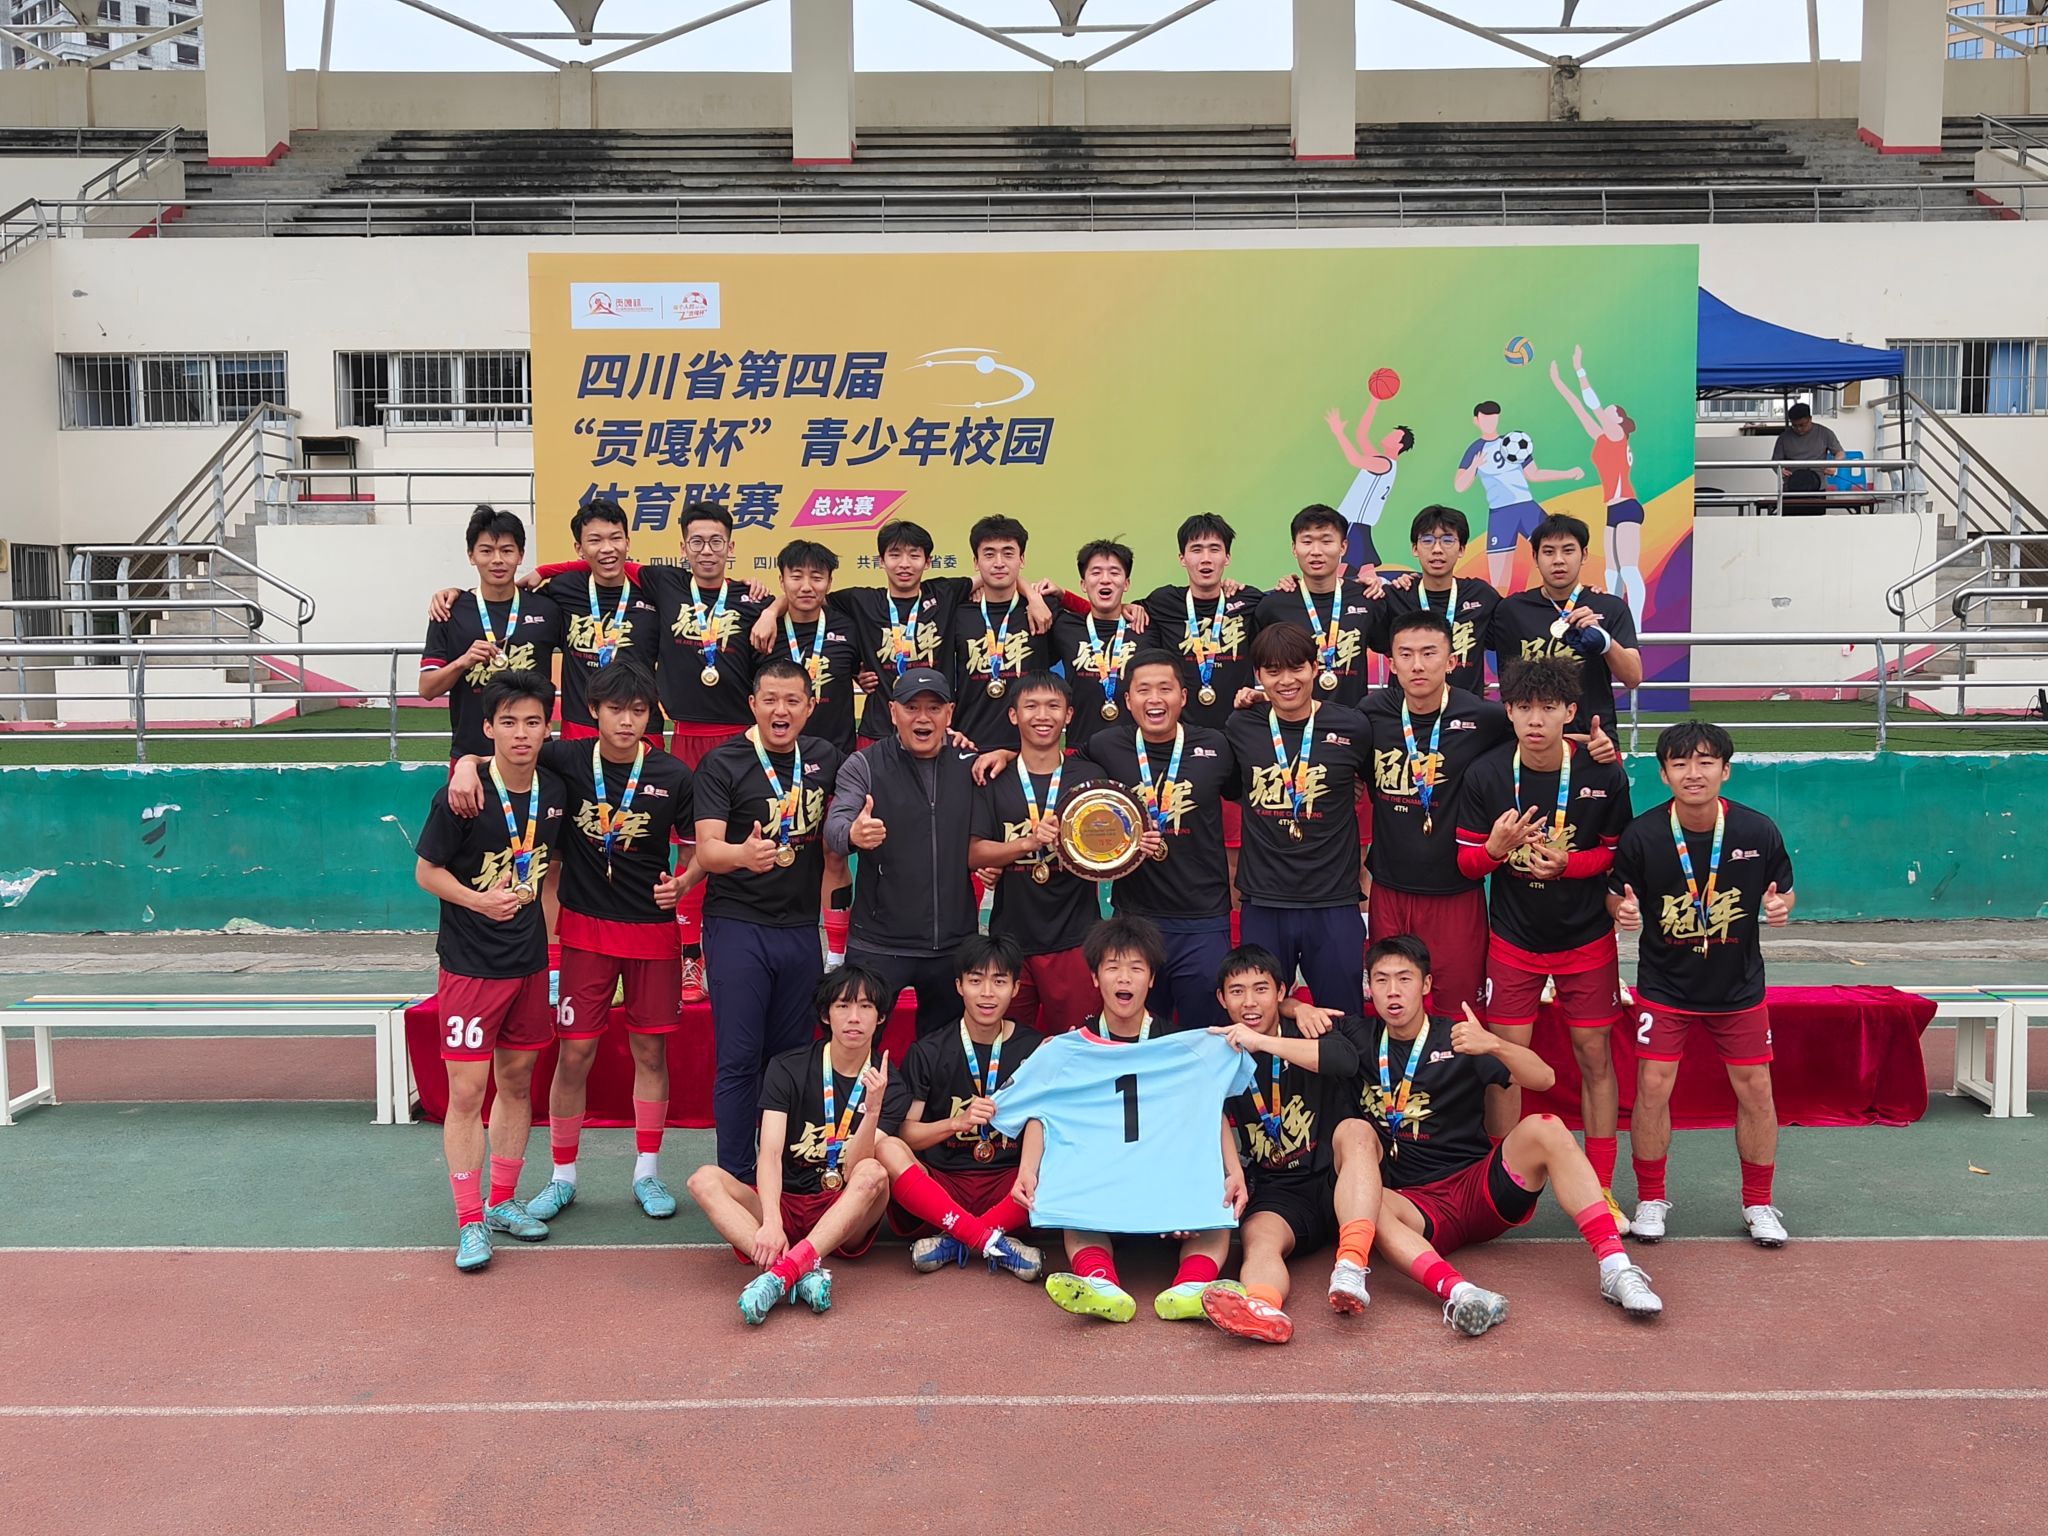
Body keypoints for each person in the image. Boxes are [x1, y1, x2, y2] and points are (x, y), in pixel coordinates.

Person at [444, 662, 695, 1223]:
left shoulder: (673, 773)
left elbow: (695, 847)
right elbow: (509, 751)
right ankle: (562, 1176)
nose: (626, 721)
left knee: (650, 1053)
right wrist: (463, 764)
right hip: (584, 928)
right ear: (593, 712)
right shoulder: (568, 757)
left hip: (653, 932)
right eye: (615, 710)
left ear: (650, 716)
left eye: (637, 711)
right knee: (575, 1053)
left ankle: (647, 1172)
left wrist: (685, 881)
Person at [1356, 936, 1663, 1335]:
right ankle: (1461, 1293)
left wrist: (1495, 1045)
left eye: (1404, 978)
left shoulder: (1459, 1037)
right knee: (1369, 1204)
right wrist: (1295, 1006)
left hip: (1480, 1190)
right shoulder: (1358, 1038)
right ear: (1369, 987)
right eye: (1381, 980)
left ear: (1426, 984)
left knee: (1546, 1127)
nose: (1393, 991)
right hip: (1416, 1206)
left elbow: (1544, 1078)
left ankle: (1616, 1268)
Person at [990, 915, 1254, 1325]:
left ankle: (1191, 1287)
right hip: (1103, 1177)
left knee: (1216, 1206)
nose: (1124, 978)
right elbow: (1040, 1108)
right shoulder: (1066, 1048)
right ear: (1095, 978)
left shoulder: (1186, 1044)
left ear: (1152, 978)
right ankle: (1102, 1284)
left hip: (1165, 1176)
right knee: (1072, 1205)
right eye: (1113, 967)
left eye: (1136, 968)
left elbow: (1209, 1107)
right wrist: (1028, 1169)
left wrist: (1233, 1171)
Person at [1456, 656, 1634, 1223]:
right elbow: (1466, 864)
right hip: (1514, 940)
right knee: (1505, 1062)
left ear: (1570, 712)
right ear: (1508, 711)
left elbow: (1616, 855)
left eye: (1549, 708)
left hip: (1587, 939)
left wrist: (1570, 865)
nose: (1536, 719)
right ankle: (1496, 1189)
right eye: (1525, 707)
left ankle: (1601, 1186)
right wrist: (1496, 849)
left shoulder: (1603, 771)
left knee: (1595, 1058)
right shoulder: (1487, 774)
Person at [1610, 719, 1796, 1248]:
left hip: (1738, 987)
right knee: (1652, 1087)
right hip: (1665, 985)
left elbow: (1783, 889)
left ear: (1725, 770)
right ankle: (1650, 1198)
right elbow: (1616, 893)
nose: (1694, 773)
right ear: (1664, 773)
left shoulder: (1757, 831)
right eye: (1680, 763)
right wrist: (1622, 911)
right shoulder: (1643, 834)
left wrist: (1780, 906)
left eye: (1705, 762)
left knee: (1756, 1089)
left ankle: (1758, 1203)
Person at [411, 671, 568, 1272]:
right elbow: (426, 872)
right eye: (508, 722)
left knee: (518, 1084)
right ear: (487, 728)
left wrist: (550, 953)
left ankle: (501, 1201)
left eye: (532, 722)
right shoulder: (462, 795)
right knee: (466, 1093)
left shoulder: (555, 791)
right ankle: (469, 1220)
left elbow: (549, 876)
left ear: (547, 728)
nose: (521, 733)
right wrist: (479, 902)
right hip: (472, 966)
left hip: (528, 963)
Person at [693, 658, 847, 1183]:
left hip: (800, 929)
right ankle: (736, 1178)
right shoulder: (723, 762)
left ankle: (783, 1174)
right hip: (738, 926)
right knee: (739, 1059)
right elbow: (708, 850)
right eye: (771, 700)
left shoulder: (824, 757)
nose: (781, 711)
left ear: (810, 706)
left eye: (792, 701)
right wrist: (743, 854)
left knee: (792, 1059)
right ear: (752, 704)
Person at [685, 965, 908, 1325]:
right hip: (787, 1202)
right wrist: (772, 1221)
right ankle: (797, 1270)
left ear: (880, 1016)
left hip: (844, 1210)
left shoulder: (890, 1084)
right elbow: (771, 1153)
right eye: (843, 1006)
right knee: (704, 1180)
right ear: (825, 1014)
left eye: (866, 1006)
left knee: (873, 1172)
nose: (854, 1017)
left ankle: (782, 1272)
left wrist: (873, 1109)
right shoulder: (788, 1068)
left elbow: (854, 1170)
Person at [1202, 944, 1388, 1345]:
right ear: (1221, 998)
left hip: (1339, 1179)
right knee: (1258, 1241)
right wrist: (1234, 1173)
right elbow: (1206, 1118)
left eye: (1261, 989)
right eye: (1236, 991)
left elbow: (1344, 1061)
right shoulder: (1216, 1052)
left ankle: (1351, 1266)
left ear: (1281, 992)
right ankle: (1262, 1308)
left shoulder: (1307, 1025)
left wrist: (1262, 1041)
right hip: (1281, 1192)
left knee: (1357, 1131)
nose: (1249, 1002)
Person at [1360, 609, 1511, 1023]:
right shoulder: (1370, 714)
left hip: (1455, 892)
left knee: (1458, 1013)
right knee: (1391, 1009)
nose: (1417, 665)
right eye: (1406, 654)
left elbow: (1539, 737)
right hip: (1390, 889)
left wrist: (1594, 745)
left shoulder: (1485, 718)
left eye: (1429, 653)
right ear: (1391, 663)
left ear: (1452, 660)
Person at [1075, 652, 1238, 1032]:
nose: (1155, 699)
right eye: (1143, 690)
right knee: (1138, 1033)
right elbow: (1059, 770)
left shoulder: (1216, 745)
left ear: (1183, 696)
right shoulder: (1104, 745)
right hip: (1135, 919)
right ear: (1127, 699)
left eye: (1165, 689)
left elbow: (1253, 784)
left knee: (1206, 1033)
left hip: (1203, 919)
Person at [873, 934, 1046, 1281]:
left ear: (1015, 988)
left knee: (1067, 1153)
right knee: (886, 1147)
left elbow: (1042, 1124)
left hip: (1010, 1186)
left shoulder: (1035, 1049)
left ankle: (956, 1239)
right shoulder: (929, 1050)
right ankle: (989, 1240)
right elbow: (907, 1133)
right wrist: (956, 1123)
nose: (987, 993)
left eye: (999, 981)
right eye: (976, 980)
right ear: (959, 986)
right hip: (942, 1188)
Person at [825, 667, 983, 1037]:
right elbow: (835, 828)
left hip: (953, 944)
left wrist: (1004, 753)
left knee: (944, 1056)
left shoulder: (971, 764)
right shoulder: (864, 764)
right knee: (859, 1048)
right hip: (878, 943)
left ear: (949, 713)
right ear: (893, 712)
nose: (922, 718)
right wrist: (853, 833)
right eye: (912, 707)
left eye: (934, 708)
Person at [1227, 624, 1372, 1018]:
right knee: (1258, 1016)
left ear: (1315, 668)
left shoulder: (1352, 727)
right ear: (1258, 675)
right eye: (1273, 672)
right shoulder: (1241, 725)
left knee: (1342, 1018)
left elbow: (1372, 782)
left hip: (1334, 900)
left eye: (1296, 668)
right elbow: (1232, 788)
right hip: (1264, 901)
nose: (1286, 681)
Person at [968, 673, 1100, 1034]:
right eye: (1031, 706)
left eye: (1053, 706)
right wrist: (1026, 844)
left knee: (1076, 1045)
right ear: (1013, 715)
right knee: (1009, 1047)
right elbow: (975, 854)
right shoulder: (993, 777)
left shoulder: (1090, 777)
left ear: (1069, 715)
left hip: (1076, 938)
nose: (1042, 715)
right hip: (1011, 940)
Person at [418, 507, 563, 764]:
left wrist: (546, 571)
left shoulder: (547, 609)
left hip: (535, 756)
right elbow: (427, 688)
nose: (497, 560)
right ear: (471, 555)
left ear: (520, 555)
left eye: (507, 551)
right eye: (486, 551)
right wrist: (463, 662)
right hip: (470, 756)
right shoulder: (449, 610)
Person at [1488, 513, 1643, 737]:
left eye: (1568, 550)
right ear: (1535, 557)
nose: (1558, 560)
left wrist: (1605, 641)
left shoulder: (1610, 607)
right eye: (1548, 552)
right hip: (1528, 741)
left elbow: (1633, 677)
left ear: (1584, 554)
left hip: (1594, 740)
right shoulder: (1510, 610)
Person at [537, 500, 666, 742]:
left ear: (627, 542)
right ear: (579, 548)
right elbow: (512, 606)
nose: (607, 548)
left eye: (615, 538)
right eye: (595, 540)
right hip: (580, 725)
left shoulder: (652, 591)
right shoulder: (564, 588)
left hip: (639, 724)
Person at [1252, 505, 1383, 708]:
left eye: (1326, 541)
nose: (1316, 551)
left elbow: (1394, 649)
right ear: (1294, 548)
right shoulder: (1273, 605)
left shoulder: (1366, 598)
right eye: (1307, 542)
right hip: (1291, 721)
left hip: (1353, 720)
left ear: (1343, 547)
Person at [1549, 347, 1647, 621]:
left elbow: (1592, 405)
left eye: (1610, 412)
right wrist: (1559, 383)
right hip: (1612, 508)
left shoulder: (1617, 435)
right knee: (1612, 571)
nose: (1604, 413)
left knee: (1629, 568)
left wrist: (1579, 370)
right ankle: (1616, 620)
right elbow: (1580, 409)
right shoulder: (1603, 438)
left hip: (1628, 506)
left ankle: (1636, 625)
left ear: (1619, 420)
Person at [1454, 400, 1587, 590]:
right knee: (1499, 578)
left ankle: (1567, 600)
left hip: (1526, 507)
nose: (1490, 422)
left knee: (1557, 552)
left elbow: (1534, 474)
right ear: (1477, 421)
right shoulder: (1476, 449)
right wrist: (1474, 466)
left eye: (1493, 417)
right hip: (1500, 513)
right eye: (1485, 418)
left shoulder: (1513, 441)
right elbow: (1459, 485)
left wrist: (1567, 473)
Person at [950, 515, 1055, 752]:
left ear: (1022, 559)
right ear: (976, 562)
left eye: (1008, 553)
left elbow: (1098, 614)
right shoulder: (958, 612)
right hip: (969, 742)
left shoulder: (1044, 610)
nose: (999, 563)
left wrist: (1127, 608)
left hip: (1030, 747)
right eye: (989, 554)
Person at [1375, 505, 1501, 697]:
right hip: (1407, 709)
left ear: (1462, 549)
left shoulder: (1481, 595)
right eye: (1427, 540)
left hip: (1466, 709)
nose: (1437, 550)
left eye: (1448, 540)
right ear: (1415, 548)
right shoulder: (1396, 597)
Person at [764, 538, 861, 755]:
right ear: (782, 581)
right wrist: (769, 612)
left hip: (837, 753)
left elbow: (859, 670)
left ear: (829, 582)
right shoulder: (766, 630)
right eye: (796, 577)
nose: (806, 587)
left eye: (817, 578)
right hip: (775, 755)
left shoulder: (848, 628)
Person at [1049, 539, 1144, 753]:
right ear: (1083, 584)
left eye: (1114, 572)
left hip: (1135, 752)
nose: (1105, 580)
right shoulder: (1064, 625)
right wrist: (1062, 595)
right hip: (1080, 751)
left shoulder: (1144, 626)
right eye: (1096, 572)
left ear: (1126, 583)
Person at [1323, 381, 1415, 580]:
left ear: (1399, 446)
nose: (1388, 436)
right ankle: (1383, 590)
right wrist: (1374, 401)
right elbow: (1361, 435)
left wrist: (1339, 433)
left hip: (1355, 522)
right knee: (1364, 569)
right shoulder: (1384, 461)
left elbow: (1355, 459)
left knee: (1341, 570)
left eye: (1393, 436)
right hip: (1359, 524)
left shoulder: (1384, 464)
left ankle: (1331, 596)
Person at [1769, 402, 1843, 510]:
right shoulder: (1784, 437)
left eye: (1802, 425)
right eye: (1794, 426)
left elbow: (1840, 453)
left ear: (1810, 419)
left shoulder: (1825, 433)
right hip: (1791, 487)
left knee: (1816, 518)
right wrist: (1780, 470)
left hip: (1818, 488)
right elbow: (1775, 462)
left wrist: (1834, 465)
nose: (1799, 429)